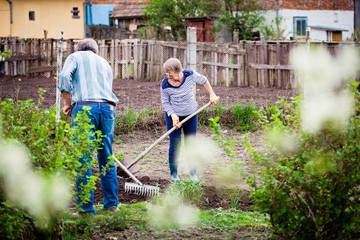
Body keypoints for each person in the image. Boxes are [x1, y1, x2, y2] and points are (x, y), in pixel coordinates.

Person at [58, 38, 119, 215]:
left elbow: (64, 77)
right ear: (96, 51)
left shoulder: (75, 57)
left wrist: (67, 103)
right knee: (106, 156)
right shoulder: (104, 63)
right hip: (107, 109)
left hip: (85, 109)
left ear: (79, 49)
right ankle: (111, 205)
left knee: (83, 156)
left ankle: (85, 208)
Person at [161, 58, 219, 181]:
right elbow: (165, 102)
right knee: (175, 144)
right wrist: (172, 115)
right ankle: (174, 175)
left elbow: (204, 80)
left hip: (191, 114)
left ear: (178, 71)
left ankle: (193, 174)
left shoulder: (190, 75)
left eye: (170, 74)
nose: (168, 77)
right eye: (166, 74)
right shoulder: (165, 84)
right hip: (174, 117)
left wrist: (212, 94)